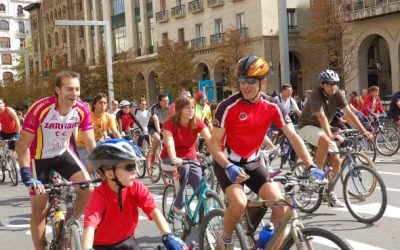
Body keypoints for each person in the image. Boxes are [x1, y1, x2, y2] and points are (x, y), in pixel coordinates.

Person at [210, 55, 324, 250]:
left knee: (281, 204)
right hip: (227, 162)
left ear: (263, 82)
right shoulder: (227, 107)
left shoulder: (272, 106)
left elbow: (294, 136)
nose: (245, 86)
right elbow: (213, 144)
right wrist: (228, 166)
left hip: (253, 162)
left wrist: (311, 165)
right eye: (242, 81)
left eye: (251, 81)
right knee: (239, 202)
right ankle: (225, 239)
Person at [16, 71, 96, 250]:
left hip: (62, 153)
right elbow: (22, 146)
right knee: (40, 209)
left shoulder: (81, 109)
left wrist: (102, 166)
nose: (74, 93)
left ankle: (70, 224)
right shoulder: (41, 108)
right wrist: (27, 176)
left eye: (77, 89)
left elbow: (90, 142)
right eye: (69, 89)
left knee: (88, 188)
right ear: (58, 90)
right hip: (39, 157)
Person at [82, 139, 187, 250]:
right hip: (103, 247)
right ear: (110, 173)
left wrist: (168, 235)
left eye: (135, 166)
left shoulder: (136, 187)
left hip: (127, 241)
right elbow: (90, 226)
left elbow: (154, 211)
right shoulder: (99, 195)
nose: (135, 171)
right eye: (129, 167)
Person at [298, 69, 373, 208]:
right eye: (329, 84)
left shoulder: (337, 93)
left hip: (322, 128)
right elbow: (321, 117)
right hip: (306, 126)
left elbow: (349, 113)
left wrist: (364, 131)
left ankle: (330, 193)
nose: (332, 87)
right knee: (325, 140)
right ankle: (317, 174)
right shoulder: (316, 95)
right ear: (322, 85)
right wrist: (330, 135)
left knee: (336, 161)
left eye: (335, 84)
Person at [161, 95, 211, 213]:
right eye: (187, 107)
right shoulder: (169, 124)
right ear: (179, 109)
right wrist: (174, 159)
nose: (191, 110)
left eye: (193, 107)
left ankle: (203, 223)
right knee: (184, 168)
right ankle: (178, 204)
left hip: (191, 159)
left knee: (201, 189)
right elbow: (169, 143)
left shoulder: (197, 122)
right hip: (169, 160)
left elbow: (211, 140)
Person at [76, 93, 121, 167]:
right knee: (90, 167)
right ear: (94, 104)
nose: (103, 105)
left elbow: (116, 133)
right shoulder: (88, 116)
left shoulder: (108, 117)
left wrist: (121, 144)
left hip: (98, 146)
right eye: (100, 102)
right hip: (83, 146)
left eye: (105, 103)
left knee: (108, 165)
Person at [147, 93, 170, 166]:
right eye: (164, 101)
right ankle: (153, 156)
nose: (166, 102)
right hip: (153, 127)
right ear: (159, 101)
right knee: (157, 138)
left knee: (170, 141)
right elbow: (155, 119)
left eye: (167, 100)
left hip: (164, 126)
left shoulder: (169, 108)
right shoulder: (154, 107)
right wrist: (159, 130)